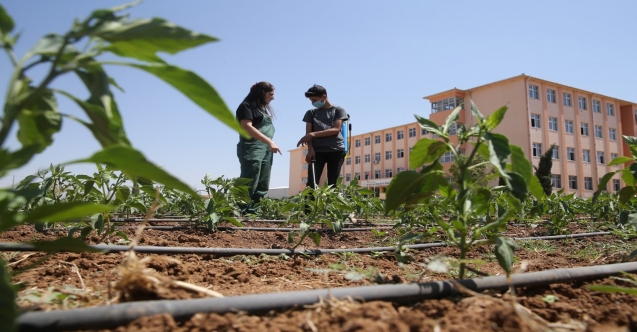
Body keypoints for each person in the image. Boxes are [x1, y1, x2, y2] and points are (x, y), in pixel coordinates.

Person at [236, 82, 281, 214]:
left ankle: (253, 210)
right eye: (270, 94)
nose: (273, 98)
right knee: (250, 177)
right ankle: (239, 209)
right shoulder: (246, 107)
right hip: (252, 147)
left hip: (265, 148)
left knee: (263, 180)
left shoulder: (262, 111)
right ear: (261, 93)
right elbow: (247, 127)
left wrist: (268, 144)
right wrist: (269, 141)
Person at [297, 84, 348, 189]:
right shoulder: (311, 113)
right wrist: (310, 150)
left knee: (333, 183)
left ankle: (330, 205)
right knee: (311, 183)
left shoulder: (338, 110)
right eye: (311, 101)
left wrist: (313, 134)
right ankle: (309, 205)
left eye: (315, 100)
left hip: (336, 150)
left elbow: (336, 129)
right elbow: (308, 134)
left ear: (323, 97)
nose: (313, 103)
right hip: (317, 152)